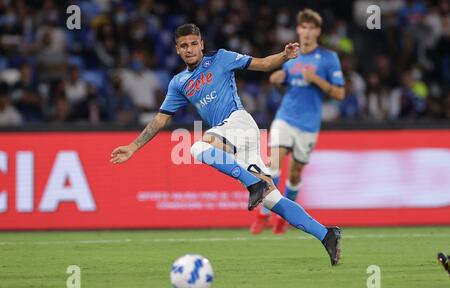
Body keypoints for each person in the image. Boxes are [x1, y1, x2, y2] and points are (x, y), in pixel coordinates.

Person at [110, 23, 341, 266]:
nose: (189, 49)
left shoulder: (222, 58)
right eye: (183, 46)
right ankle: (327, 235)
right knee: (273, 200)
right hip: (233, 136)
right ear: (177, 50)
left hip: (238, 122)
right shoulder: (179, 83)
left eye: (193, 44)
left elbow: (262, 64)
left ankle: (255, 186)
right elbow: (160, 119)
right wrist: (134, 146)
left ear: (202, 44)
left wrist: (284, 55)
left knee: (198, 148)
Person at [250, 9, 346, 235]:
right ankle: (263, 215)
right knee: (273, 165)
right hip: (285, 117)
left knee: (294, 174)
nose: (307, 32)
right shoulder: (291, 56)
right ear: (298, 30)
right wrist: (276, 79)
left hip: (309, 125)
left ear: (318, 31)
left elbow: (340, 94)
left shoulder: (329, 58)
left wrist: (317, 80)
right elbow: (281, 79)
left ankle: (285, 218)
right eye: (303, 27)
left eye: (312, 28)